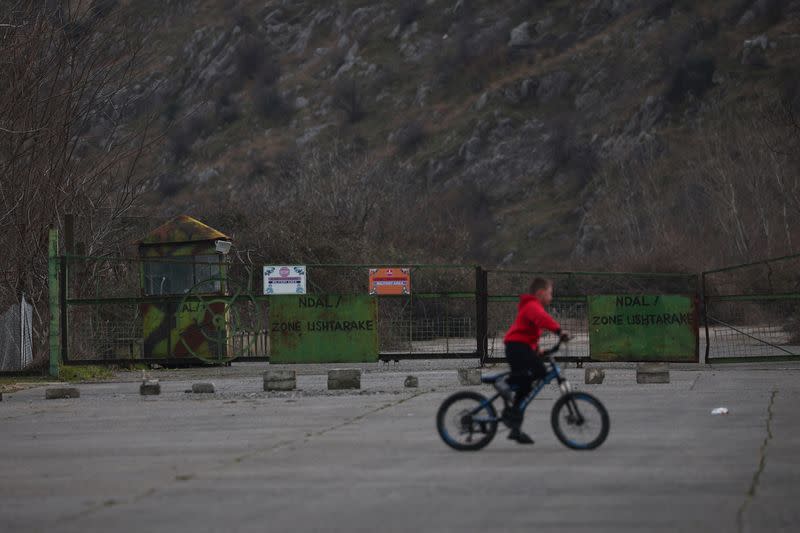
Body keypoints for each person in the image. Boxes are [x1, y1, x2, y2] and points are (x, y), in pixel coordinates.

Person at [496, 277, 568, 444]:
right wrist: (559, 331)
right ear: (541, 293)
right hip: (516, 347)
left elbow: (529, 335)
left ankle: (515, 427)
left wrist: (538, 351)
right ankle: (504, 383)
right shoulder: (532, 306)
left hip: (522, 347)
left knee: (526, 385)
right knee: (540, 372)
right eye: (550, 293)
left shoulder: (532, 307)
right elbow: (543, 319)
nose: (551, 297)